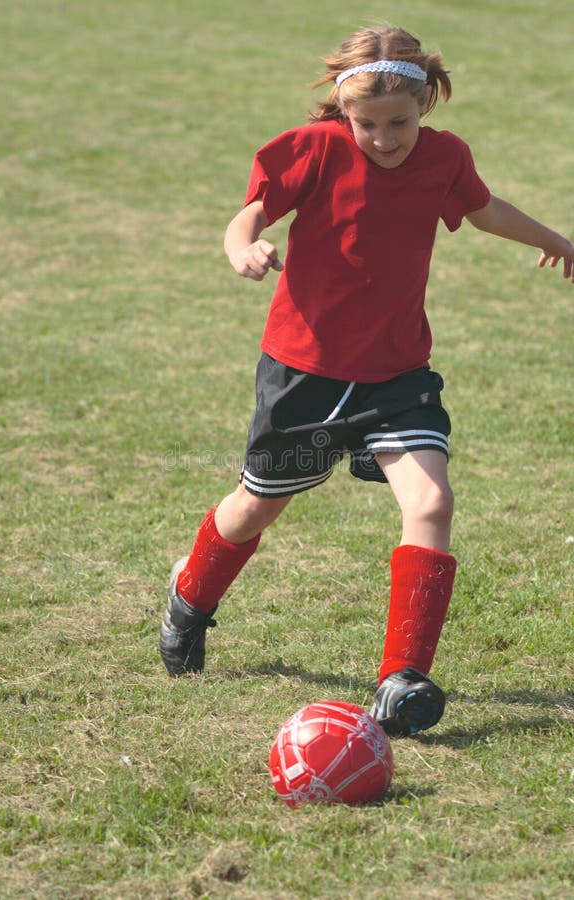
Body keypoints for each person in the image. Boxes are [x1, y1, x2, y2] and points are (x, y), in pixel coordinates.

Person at [159, 25, 574, 736]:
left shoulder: (445, 157)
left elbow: (481, 210)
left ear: (428, 104)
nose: (385, 139)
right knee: (256, 509)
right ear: (343, 113)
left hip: (396, 372)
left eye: (400, 124)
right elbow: (250, 213)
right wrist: (242, 247)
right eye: (367, 125)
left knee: (432, 500)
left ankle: (401, 678)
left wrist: (555, 239)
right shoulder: (314, 149)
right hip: (307, 375)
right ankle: (189, 600)